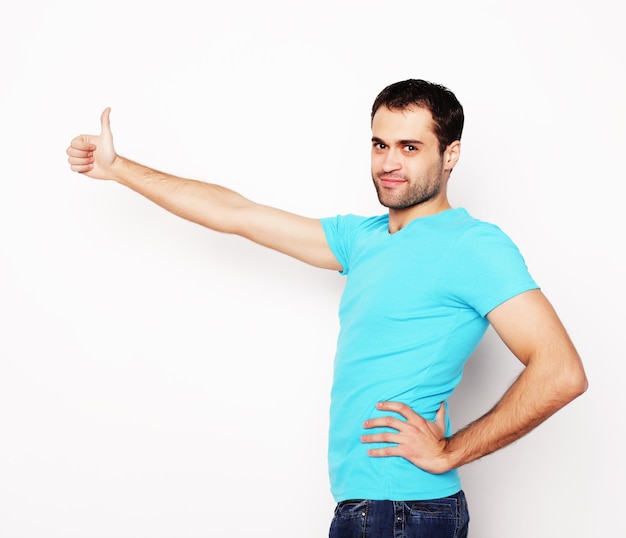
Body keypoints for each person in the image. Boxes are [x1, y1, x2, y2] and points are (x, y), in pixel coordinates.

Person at [66, 79, 588, 538]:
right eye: (381, 144)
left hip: (403, 510)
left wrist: (451, 451)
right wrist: (119, 169)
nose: (389, 162)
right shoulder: (362, 239)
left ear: (449, 155)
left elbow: (560, 371)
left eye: (410, 147)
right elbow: (238, 214)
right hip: (371, 508)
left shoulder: (471, 245)